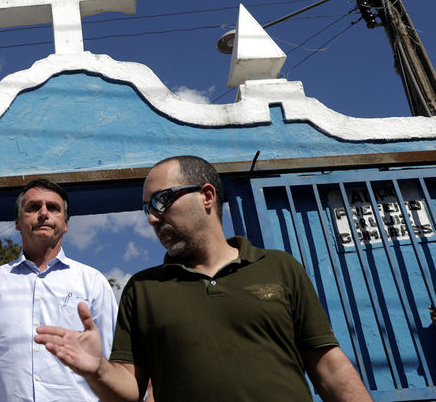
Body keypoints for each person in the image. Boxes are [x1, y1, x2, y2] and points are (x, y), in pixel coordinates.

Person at [35, 156, 373, 402]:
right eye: (147, 209)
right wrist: (97, 370)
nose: (153, 217)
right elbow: (129, 389)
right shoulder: (143, 289)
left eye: (162, 200)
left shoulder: (280, 267)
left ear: (207, 196)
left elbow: (330, 369)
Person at [0, 178, 119, 402]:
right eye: (34, 207)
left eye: (54, 208)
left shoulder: (92, 282)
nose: (44, 213)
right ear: (18, 222)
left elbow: (116, 365)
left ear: (65, 224)